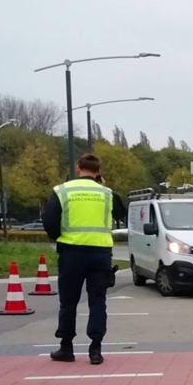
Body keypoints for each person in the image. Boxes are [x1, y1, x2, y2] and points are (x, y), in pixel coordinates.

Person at [42, 154, 127, 365]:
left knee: (68, 301)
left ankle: (66, 348)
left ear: (78, 169)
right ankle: (95, 350)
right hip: (100, 254)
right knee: (97, 301)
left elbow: (50, 222)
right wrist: (105, 186)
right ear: (98, 172)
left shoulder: (62, 191)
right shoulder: (107, 193)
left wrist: (59, 238)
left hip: (71, 253)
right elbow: (121, 213)